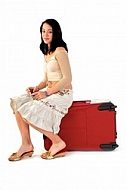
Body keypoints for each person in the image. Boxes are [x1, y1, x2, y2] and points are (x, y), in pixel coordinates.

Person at [8, 19, 73, 161]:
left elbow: (67, 78)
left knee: (27, 111)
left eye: (50, 31)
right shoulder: (47, 52)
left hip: (62, 94)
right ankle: (26, 145)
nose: (46, 34)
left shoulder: (60, 51)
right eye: (43, 31)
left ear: (56, 33)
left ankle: (58, 142)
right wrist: (37, 88)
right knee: (18, 106)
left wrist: (46, 93)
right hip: (50, 91)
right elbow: (46, 79)